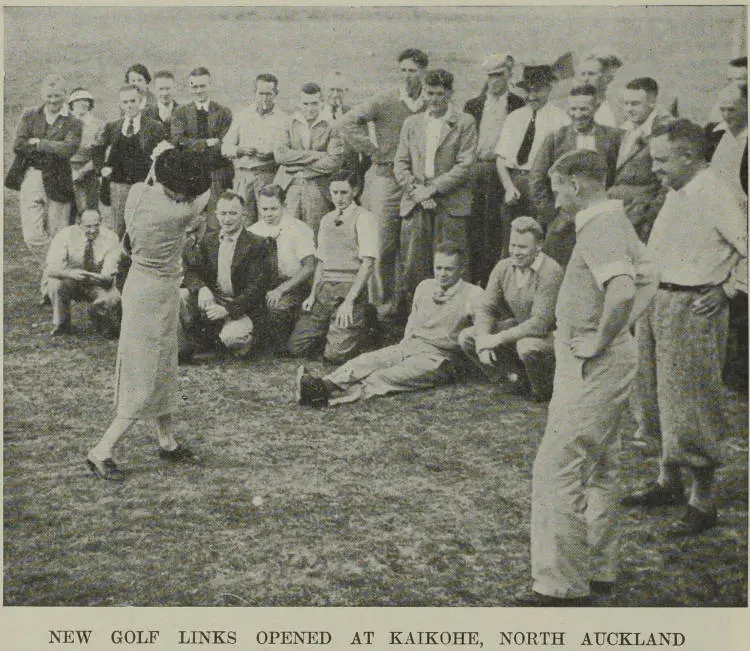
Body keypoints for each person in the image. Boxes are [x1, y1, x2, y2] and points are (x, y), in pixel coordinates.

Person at [514, 150, 658, 606]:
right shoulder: (612, 221)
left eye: (557, 188)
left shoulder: (599, 226)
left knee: (556, 469)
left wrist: (600, 339)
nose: (554, 197)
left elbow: (620, 290)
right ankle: (598, 570)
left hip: (592, 361)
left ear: (575, 185)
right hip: (607, 357)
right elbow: (650, 277)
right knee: (599, 466)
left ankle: (561, 587)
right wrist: (618, 334)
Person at [622, 120, 747, 535]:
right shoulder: (677, 191)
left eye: (662, 160)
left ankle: (703, 500)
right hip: (658, 301)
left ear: (689, 157)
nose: (655, 168)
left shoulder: (719, 193)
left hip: (693, 308)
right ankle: (668, 481)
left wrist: (729, 290)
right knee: (655, 395)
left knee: (691, 401)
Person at [86, 148, 211, 480]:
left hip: (149, 287)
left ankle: (167, 441)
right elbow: (203, 195)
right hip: (152, 294)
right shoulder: (180, 213)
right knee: (144, 376)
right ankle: (102, 450)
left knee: (165, 363)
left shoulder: (140, 192)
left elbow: (160, 174)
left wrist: (161, 157)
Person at [296, 241, 482, 407]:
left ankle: (331, 397)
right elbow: (413, 321)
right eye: (438, 268)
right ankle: (323, 384)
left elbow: (482, 331)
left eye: (449, 269)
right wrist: (403, 348)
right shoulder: (425, 286)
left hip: (438, 358)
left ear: (461, 269)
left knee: (387, 376)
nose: (442, 274)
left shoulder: (473, 294)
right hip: (410, 346)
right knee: (367, 361)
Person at [337, 48, 429, 320]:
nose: (407, 76)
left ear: (423, 72)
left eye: (412, 71)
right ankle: (382, 308)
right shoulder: (385, 99)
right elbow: (347, 122)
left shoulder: (430, 102)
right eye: (402, 70)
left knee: (414, 245)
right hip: (386, 178)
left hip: (416, 181)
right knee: (383, 244)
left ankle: (411, 305)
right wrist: (372, 150)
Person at [393, 68, 477, 310]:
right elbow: (400, 163)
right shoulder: (412, 123)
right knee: (414, 268)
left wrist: (432, 190)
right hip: (416, 203)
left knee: (451, 267)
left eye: (439, 94)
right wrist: (418, 193)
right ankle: (416, 320)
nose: (433, 99)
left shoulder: (464, 123)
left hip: (450, 205)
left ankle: (454, 319)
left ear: (449, 93)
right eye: (429, 93)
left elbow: (465, 165)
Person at [458, 216, 562, 401]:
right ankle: (514, 378)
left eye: (522, 247)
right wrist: (483, 339)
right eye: (512, 245)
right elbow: (487, 307)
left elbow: (540, 323)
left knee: (526, 346)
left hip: (553, 335)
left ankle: (544, 389)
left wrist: (496, 339)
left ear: (539, 246)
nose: (515, 252)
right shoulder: (504, 267)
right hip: (522, 327)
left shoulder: (550, 271)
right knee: (468, 337)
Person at [288, 171, 377, 364]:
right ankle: (334, 328)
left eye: (344, 192)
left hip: (350, 288)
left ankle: (362, 323)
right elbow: (321, 261)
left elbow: (368, 263)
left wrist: (350, 301)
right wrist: (313, 295)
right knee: (296, 347)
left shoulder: (364, 218)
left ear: (355, 190)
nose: (338, 197)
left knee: (335, 356)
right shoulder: (326, 219)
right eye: (334, 192)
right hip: (326, 289)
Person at [529, 83, 621, 265]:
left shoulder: (613, 138)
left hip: (600, 217)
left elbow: (618, 177)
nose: (578, 114)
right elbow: (536, 179)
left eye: (584, 109)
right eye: (573, 109)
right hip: (564, 219)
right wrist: (552, 213)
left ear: (596, 107)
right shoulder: (556, 138)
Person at [180, 191, 277, 360]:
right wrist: (201, 288)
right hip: (214, 300)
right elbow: (191, 271)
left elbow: (256, 289)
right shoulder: (207, 241)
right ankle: (184, 348)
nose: (227, 219)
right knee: (180, 295)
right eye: (223, 213)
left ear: (243, 215)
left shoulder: (258, 244)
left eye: (233, 213)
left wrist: (227, 309)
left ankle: (241, 344)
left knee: (232, 338)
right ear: (216, 215)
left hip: (241, 307)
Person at [8, 74, 82, 271]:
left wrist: (39, 143)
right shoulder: (30, 115)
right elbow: (19, 145)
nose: (53, 101)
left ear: (66, 94)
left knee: (59, 233)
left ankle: (51, 289)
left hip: (59, 179)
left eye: (57, 96)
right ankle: (63, 269)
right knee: (32, 235)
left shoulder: (73, 122)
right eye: (49, 96)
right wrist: (52, 148)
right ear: (43, 94)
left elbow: (68, 148)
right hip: (32, 176)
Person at [495, 64, 570, 258]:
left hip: (543, 186)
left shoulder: (561, 120)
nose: (532, 96)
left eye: (537, 90)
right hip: (515, 183)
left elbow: (562, 163)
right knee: (510, 240)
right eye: (528, 90)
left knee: (539, 239)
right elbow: (501, 158)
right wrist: (508, 187)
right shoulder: (515, 117)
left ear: (548, 89)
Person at [464, 53, 526, 284]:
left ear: (509, 75)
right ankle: (475, 278)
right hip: (477, 170)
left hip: (505, 173)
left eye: (499, 75)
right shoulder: (474, 105)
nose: (494, 81)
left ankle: (496, 278)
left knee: (498, 225)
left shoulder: (518, 104)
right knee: (474, 223)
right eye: (490, 76)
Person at [707, 85, 748, 391]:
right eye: (722, 108)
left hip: (743, 225)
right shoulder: (716, 134)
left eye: (732, 109)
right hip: (717, 226)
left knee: (741, 298)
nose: (726, 114)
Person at [248, 184, 316, 354]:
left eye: (273, 209)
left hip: (292, 285)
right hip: (263, 284)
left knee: (275, 307)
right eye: (264, 209)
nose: (268, 214)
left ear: (284, 206)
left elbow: (309, 266)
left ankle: (278, 344)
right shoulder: (253, 230)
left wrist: (281, 289)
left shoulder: (298, 229)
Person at [93, 85, 167, 239]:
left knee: (142, 226)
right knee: (119, 227)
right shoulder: (113, 126)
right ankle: (120, 261)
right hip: (118, 185)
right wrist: (102, 168)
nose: (129, 105)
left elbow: (164, 153)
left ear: (141, 101)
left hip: (144, 185)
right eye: (125, 102)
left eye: (133, 101)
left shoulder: (154, 127)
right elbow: (98, 148)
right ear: (121, 104)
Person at [273, 82, 344, 238]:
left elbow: (333, 161)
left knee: (314, 235)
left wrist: (299, 168)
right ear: (299, 103)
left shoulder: (332, 126)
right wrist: (316, 155)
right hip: (290, 186)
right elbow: (280, 155)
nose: (309, 108)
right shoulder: (288, 123)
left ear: (322, 103)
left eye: (314, 104)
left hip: (317, 187)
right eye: (305, 103)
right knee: (288, 234)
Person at [607, 77, 668, 242]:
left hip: (641, 218)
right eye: (625, 103)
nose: (628, 109)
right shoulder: (626, 129)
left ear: (652, 102)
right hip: (617, 211)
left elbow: (668, 183)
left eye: (635, 104)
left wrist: (649, 218)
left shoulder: (663, 131)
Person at [221, 73, 287, 225]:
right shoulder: (242, 116)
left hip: (268, 176)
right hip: (243, 177)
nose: (264, 99)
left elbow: (287, 151)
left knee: (268, 221)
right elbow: (226, 147)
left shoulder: (284, 120)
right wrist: (241, 150)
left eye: (269, 94)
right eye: (261, 94)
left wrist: (272, 152)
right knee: (242, 220)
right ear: (254, 93)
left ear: (276, 94)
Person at [44, 209, 121, 338]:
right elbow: (50, 269)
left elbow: (109, 274)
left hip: (97, 283)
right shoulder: (65, 235)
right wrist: (71, 274)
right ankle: (62, 325)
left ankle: (100, 319)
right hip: (71, 280)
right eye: (88, 226)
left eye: (96, 225)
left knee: (114, 297)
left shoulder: (110, 238)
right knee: (54, 283)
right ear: (79, 224)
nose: (92, 230)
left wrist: (102, 278)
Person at [171, 67, 234, 216]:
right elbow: (177, 141)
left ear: (210, 85)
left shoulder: (223, 112)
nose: (198, 91)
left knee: (216, 218)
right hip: (188, 174)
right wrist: (205, 143)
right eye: (194, 87)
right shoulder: (180, 113)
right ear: (189, 88)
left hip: (216, 174)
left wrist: (190, 144)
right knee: (189, 219)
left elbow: (225, 144)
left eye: (202, 86)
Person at [68, 88, 104, 214]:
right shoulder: (64, 123)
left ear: (90, 104)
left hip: (90, 171)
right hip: (68, 171)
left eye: (85, 101)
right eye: (78, 101)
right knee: (69, 212)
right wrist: (71, 171)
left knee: (90, 211)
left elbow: (100, 154)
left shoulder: (98, 125)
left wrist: (82, 171)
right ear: (72, 104)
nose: (82, 104)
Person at [577, 50, 623, 127]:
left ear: (608, 78)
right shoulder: (573, 109)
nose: (585, 79)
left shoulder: (616, 110)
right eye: (583, 74)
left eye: (591, 74)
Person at [708, 56, 747, 123]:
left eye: (739, 79)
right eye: (730, 80)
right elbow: (714, 120)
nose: (732, 84)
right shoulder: (725, 98)